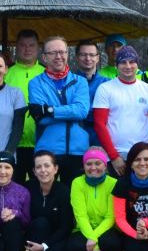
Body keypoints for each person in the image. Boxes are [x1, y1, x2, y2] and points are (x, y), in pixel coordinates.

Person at [93, 45, 148, 177]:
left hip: (143, 156)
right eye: (123, 62)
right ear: (116, 65)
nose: (128, 66)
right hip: (116, 156)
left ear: (137, 64)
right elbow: (99, 124)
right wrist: (114, 156)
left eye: (132, 62)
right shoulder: (105, 89)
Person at [29, 36, 91, 181]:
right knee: (47, 193)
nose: (59, 56)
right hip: (47, 150)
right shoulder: (36, 83)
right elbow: (41, 118)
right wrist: (70, 113)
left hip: (78, 149)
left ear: (67, 54)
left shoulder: (80, 81)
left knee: (74, 193)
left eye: (62, 52)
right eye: (53, 53)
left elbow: (82, 111)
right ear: (44, 57)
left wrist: (50, 110)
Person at [67, 147, 121, 251]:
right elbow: (81, 216)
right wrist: (94, 245)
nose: (93, 168)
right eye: (89, 164)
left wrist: (93, 238)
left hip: (107, 229)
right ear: (84, 166)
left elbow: (110, 217)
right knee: (74, 246)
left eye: (98, 163)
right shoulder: (77, 183)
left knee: (112, 243)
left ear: (105, 165)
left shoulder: (113, 183)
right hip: (84, 229)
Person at [24, 150, 75, 251]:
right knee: (40, 222)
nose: (43, 170)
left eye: (47, 166)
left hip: (57, 237)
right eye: (38, 167)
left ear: (55, 169)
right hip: (36, 233)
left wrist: (44, 246)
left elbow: (66, 226)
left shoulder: (64, 192)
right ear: (34, 171)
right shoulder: (28, 188)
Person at [6, 29, 46, 181]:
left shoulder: (47, 73)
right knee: (15, 186)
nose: (27, 49)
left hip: (41, 142)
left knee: (39, 186)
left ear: (38, 48)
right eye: (23, 45)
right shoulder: (6, 73)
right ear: (16, 47)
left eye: (31, 45)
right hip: (13, 143)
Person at [74, 39, 110, 150]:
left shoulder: (107, 84)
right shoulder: (68, 82)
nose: (88, 58)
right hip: (74, 142)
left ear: (98, 57)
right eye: (83, 55)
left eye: (92, 55)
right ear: (77, 57)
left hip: (100, 142)